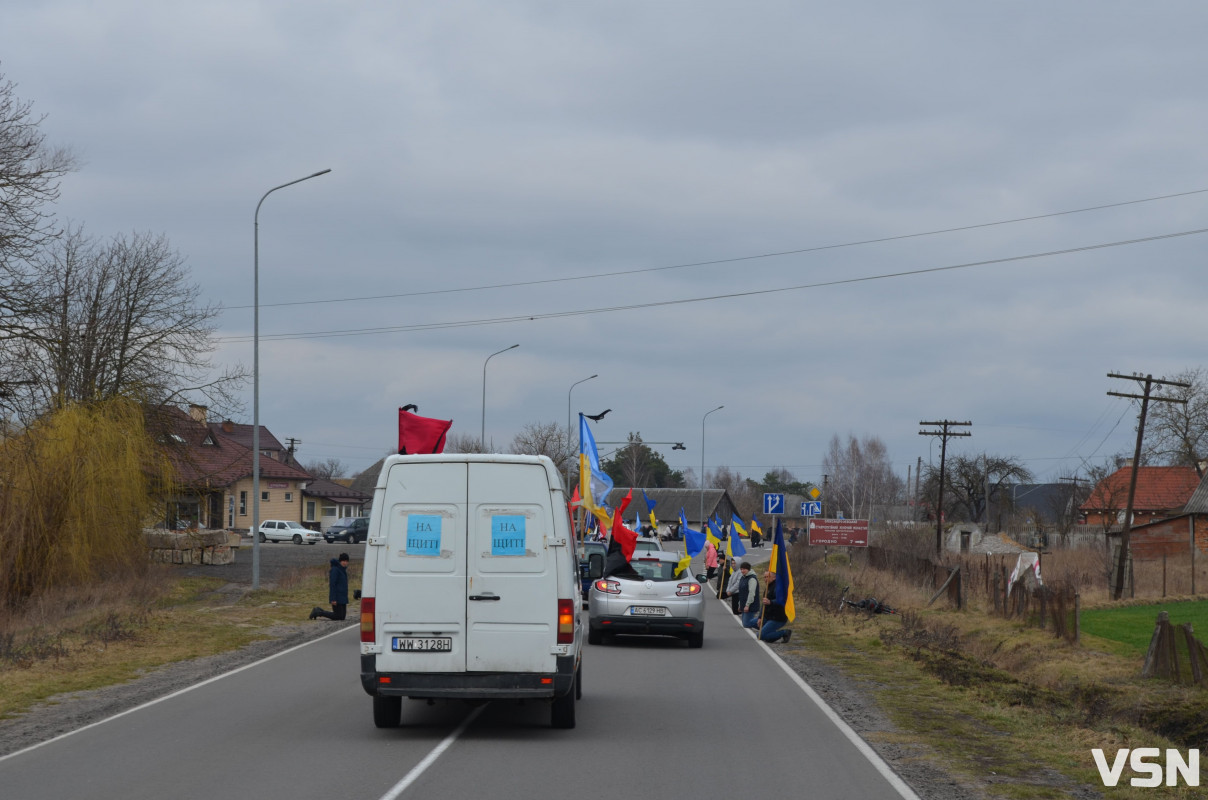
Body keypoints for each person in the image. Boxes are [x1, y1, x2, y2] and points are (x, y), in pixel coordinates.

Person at [310, 553, 350, 620]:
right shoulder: (335, 570)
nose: (345, 563)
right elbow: (332, 585)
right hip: (337, 597)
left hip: (342, 597)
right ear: (340, 561)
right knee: (338, 616)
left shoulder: (343, 570)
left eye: (346, 561)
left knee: (342, 617)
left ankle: (319, 611)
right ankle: (318, 612)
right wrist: (333, 599)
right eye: (343, 561)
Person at [758, 570, 791, 643]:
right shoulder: (768, 588)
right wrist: (760, 617)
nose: (766, 579)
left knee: (760, 636)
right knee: (751, 623)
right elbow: (764, 604)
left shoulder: (778, 588)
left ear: (774, 578)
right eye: (765, 577)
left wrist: (771, 602)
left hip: (778, 618)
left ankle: (784, 632)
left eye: (768, 577)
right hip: (769, 616)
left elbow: (782, 600)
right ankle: (771, 634)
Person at [737, 562, 761, 629]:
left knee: (747, 624)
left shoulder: (752, 579)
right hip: (744, 604)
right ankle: (763, 628)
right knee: (745, 624)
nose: (742, 571)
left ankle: (764, 626)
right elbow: (741, 592)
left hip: (751, 605)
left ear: (748, 569)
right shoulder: (743, 578)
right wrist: (740, 604)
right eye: (741, 569)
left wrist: (747, 605)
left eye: (744, 569)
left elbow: (751, 593)